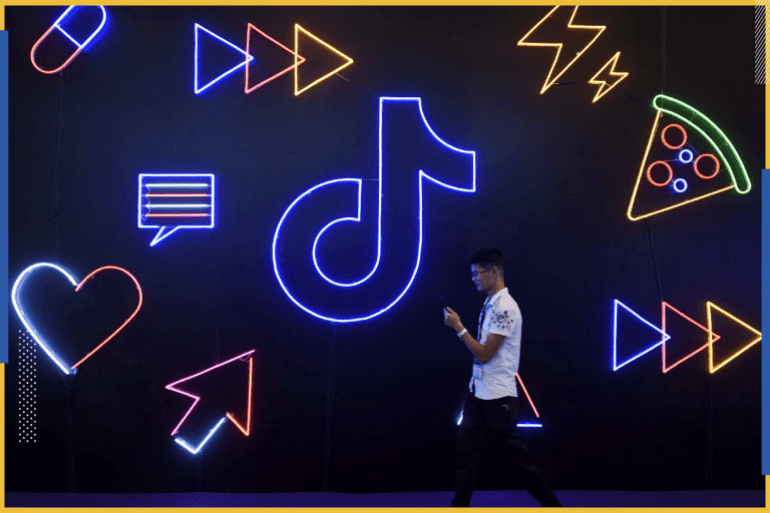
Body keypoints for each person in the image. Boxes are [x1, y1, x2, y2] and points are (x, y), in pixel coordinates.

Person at [443, 247, 561, 507]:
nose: (473, 278)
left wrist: (459, 328)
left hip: (498, 399)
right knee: (465, 457)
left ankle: (555, 508)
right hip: (477, 391)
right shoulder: (490, 303)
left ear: (494, 272)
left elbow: (486, 354)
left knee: (520, 464)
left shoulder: (506, 308)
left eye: (478, 273)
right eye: (472, 273)